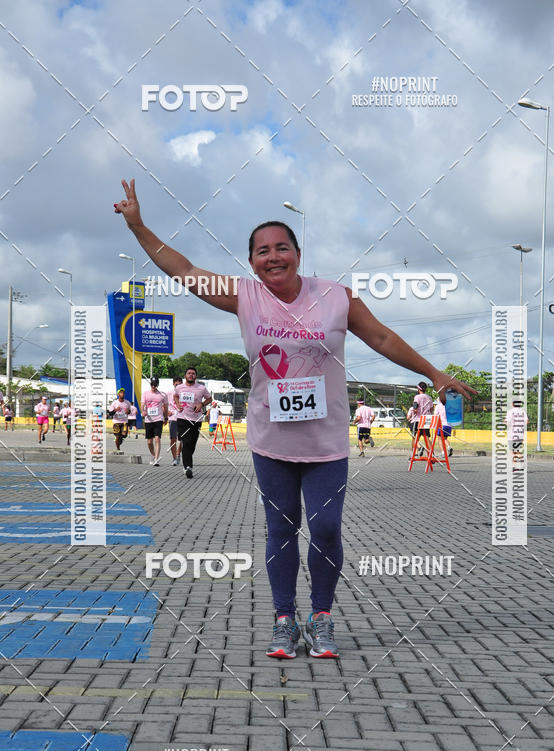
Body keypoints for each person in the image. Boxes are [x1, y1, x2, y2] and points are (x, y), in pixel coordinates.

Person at [114, 177, 475, 659]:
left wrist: (433, 372)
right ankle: (284, 619)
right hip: (271, 441)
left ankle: (321, 616)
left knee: (325, 529)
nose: (273, 256)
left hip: (326, 442)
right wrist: (138, 225)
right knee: (281, 529)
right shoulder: (244, 296)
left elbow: (384, 339)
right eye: (262, 250)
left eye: (281, 247)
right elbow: (181, 269)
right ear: (252, 262)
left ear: (298, 254)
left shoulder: (337, 299)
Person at [173, 366, 211, 479]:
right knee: (186, 441)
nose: (191, 375)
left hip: (196, 419)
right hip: (182, 418)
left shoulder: (201, 388)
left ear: (196, 376)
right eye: (189, 373)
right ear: (185, 376)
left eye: (193, 373)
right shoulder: (179, 387)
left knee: (192, 443)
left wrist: (202, 405)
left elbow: (209, 398)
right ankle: (188, 467)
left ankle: (186, 462)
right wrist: (178, 404)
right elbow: (175, 396)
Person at [141, 376, 168, 465]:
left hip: (158, 419)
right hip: (149, 419)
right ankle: (153, 455)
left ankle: (156, 459)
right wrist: (143, 411)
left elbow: (165, 407)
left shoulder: (162, 395)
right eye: (152, 384)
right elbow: (142, 404)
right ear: (150, 384)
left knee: (157, 439)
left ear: (157, 384)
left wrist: (166, 417)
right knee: (149, 442)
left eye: (155, 384)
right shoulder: (145, 393)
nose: (153, 386)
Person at [108, 388, 133, 452]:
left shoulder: (127, 403)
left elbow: (129, 411)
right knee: (117, 437)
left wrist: (128, 412)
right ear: (118, 394)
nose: (122, 394)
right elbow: (110, 413)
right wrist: (115, 410)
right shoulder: (114, 403)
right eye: (121, 393)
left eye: (123, 393)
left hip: (124, 421)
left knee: (124, 434)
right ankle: (118, 448)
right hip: (116, 422)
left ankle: (120, 438)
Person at [413, 381, 434, 456]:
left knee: (415, 437)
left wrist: (414, 411)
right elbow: (431, 409)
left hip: (418, 419)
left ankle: (417, 450)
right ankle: (431, 454)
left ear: (419, 389)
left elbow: (415, 408)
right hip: (427, 419)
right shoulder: (429, 397)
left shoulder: (417, 397)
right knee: (427, 437)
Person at [167, 377, 183, 465]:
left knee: (182, 439)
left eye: (180, 384)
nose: (178, 386)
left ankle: (178, 453)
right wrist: (167, 412)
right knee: (173, 439)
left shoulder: (184, 394)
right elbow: (163, 404)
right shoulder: (169, 393)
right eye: (176, 384)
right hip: (172, 418)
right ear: (173, 384)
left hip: (182, 418)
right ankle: (174, 458)